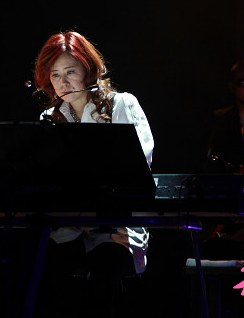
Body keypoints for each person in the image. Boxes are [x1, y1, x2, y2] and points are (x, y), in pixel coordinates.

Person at [31, 30, 154, 317]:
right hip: (68, 228)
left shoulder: (121, 104)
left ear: (88, 70)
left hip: (116, 229)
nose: (62, 82)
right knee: (38, 273)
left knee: (100, 280)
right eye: (55, 74)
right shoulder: (48, 119)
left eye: (70, 72)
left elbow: (138, 166)